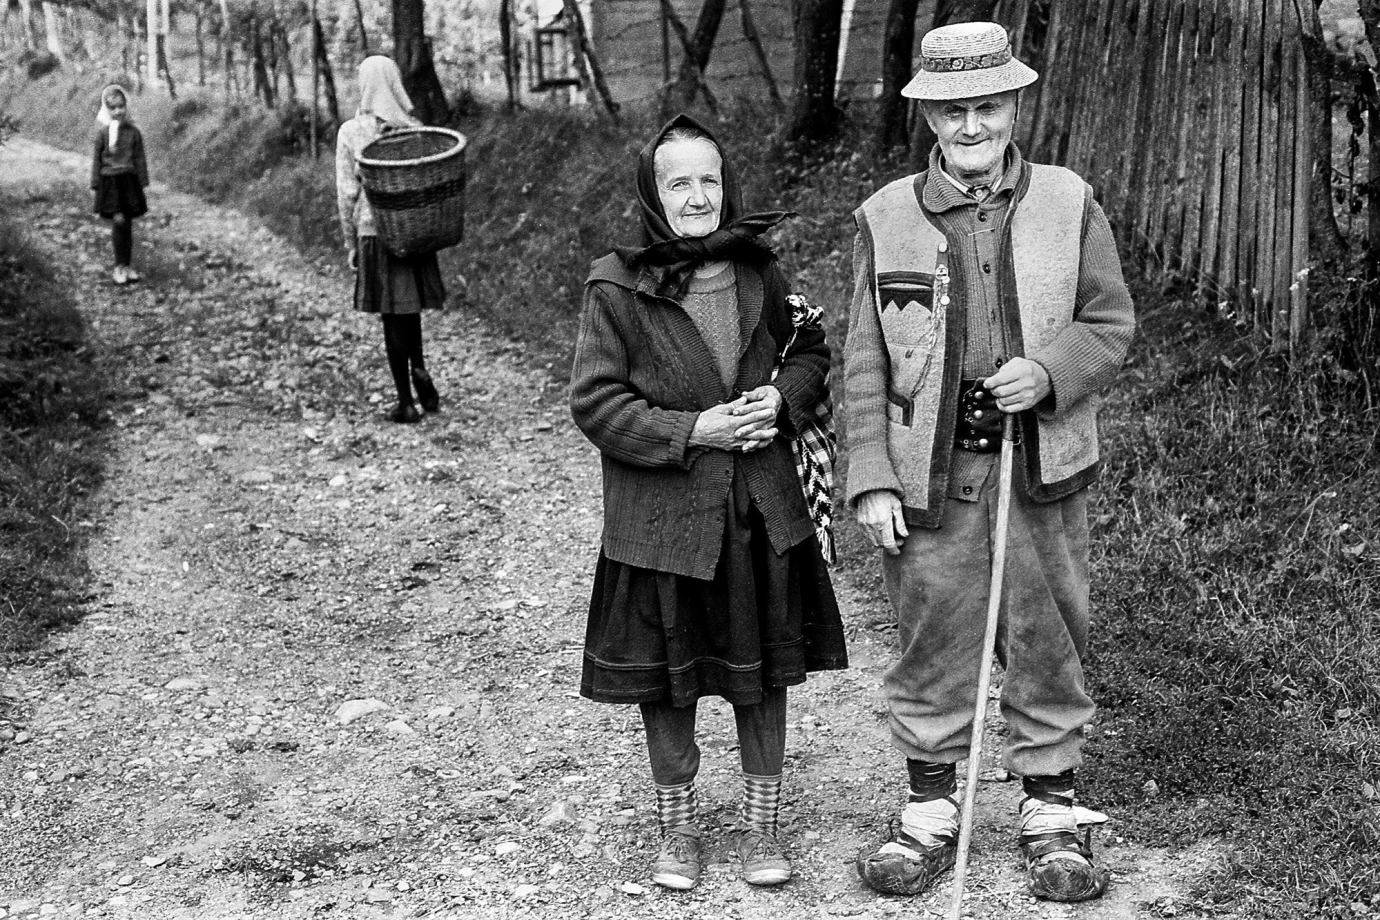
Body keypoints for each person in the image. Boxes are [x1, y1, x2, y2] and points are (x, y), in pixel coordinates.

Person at [843, 21, 1136, 903]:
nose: (972, 126)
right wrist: (870, 473)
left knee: (1048, 631)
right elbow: (864, 358)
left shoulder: (1068, 201)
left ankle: (1053, 814)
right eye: (953, 110)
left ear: (1014, 105)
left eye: (989, 106)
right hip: (932, 472)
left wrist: (1048, 373)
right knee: (933, 633)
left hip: (1041, 463)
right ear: (929, 117)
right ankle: (930, 812)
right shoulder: (885, 216)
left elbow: (1109, 323)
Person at [569, 114, 848, 892]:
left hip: (758, 509)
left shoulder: (760, 269)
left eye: (710, 181)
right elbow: (595, 402)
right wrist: (695, 430)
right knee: (669, 677)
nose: (697, 198)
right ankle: (678, 829)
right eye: (679, 183)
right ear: (653, 195)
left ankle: (763, 827)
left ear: (727, 187)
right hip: (664, 521)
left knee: (763, 671)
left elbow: (810, 350)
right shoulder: (617, 286)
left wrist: (780, 399)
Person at [335, 55, 445, 424]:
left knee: (391, 316)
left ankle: (405, 402)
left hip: (376, 233)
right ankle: (420, 370)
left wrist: (351, 243)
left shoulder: (351, 132)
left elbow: (346, 193)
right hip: (413, 233)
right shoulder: (416, 129)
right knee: (409, 311)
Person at [90, 84, 148, 286]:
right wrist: (96, 183)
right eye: (112, 108)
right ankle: (118, 266)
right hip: (110, 182)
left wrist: (142, 181)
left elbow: (139, 157)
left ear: (126, 106)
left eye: (121, 106)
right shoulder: (103, 133)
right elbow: (97, 159)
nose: (118, 111)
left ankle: (127, 265)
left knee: (127, 222)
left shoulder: (134, 133)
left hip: (128, 181)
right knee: (119, 221)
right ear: (106, 109)